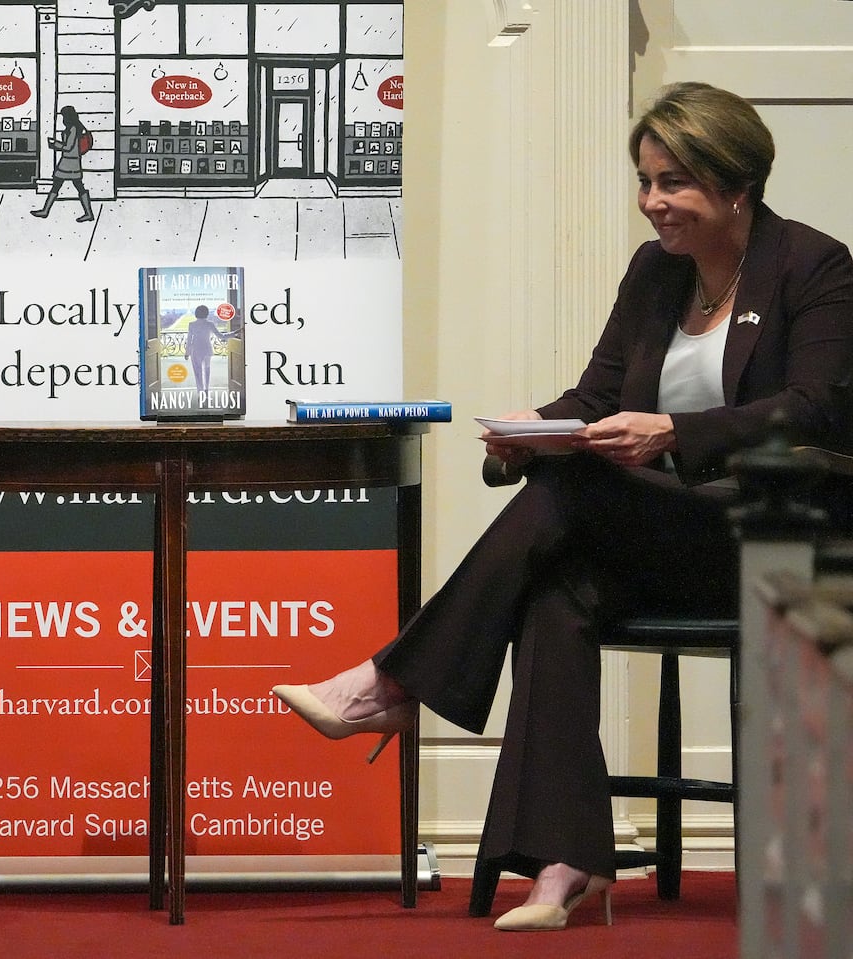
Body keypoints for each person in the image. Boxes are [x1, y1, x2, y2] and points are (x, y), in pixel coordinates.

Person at [273, 82, 853, 931]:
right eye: (646, 181)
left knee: (573, 493)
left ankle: (395, 678)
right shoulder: (657, 273)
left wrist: (673, 431)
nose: (653, 203)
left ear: (737, 186)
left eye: (674, 183)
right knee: (556, 583)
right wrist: (529, 433)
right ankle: (565, 860)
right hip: (665, 534)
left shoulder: (814, 264)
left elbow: (814, 407)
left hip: (770, 540)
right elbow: (594, 396)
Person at [31, 105, 94, 222]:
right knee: (71, 186)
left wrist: (54, 144)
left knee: (63, 186)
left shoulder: (73, 128)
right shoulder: (76, 127)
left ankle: (46, 211)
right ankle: (88, 213)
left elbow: (68, 146)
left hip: (68, 161)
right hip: (72, 161)